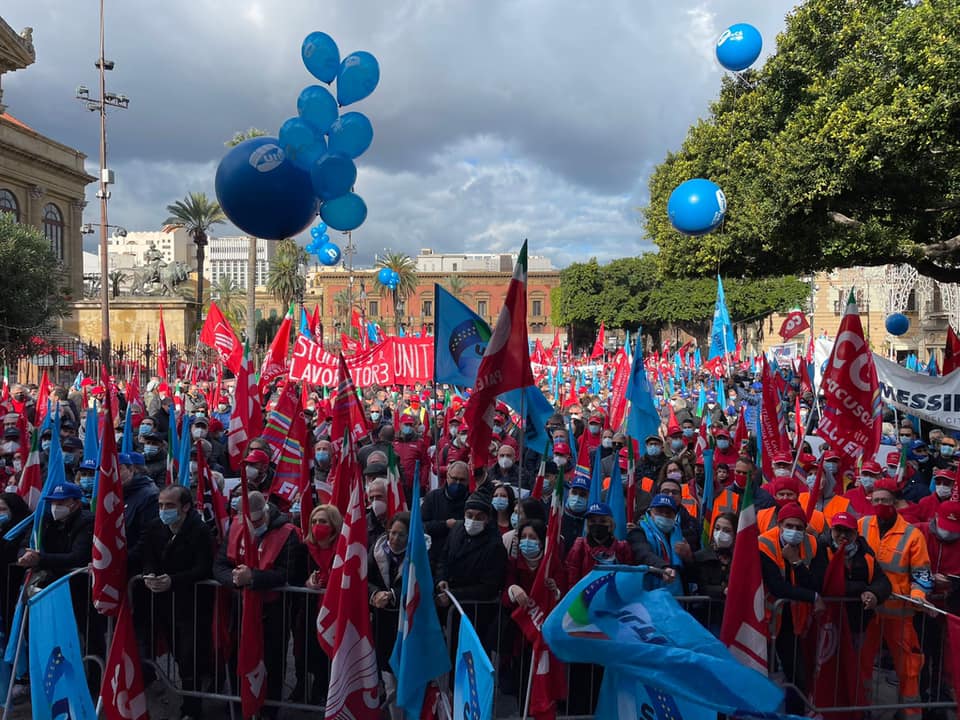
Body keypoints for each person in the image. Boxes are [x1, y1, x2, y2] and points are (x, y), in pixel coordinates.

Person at [214, 491, 302, 712]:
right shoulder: (235, 527)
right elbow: (219, 565)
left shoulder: (287, 532)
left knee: (272, 660)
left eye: (258, 521)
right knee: (237, 657)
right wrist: (235, 580)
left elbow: (288, 573)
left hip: (272, 611)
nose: (254, 526)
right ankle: (238, 702)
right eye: (249, 522)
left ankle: (269, 709)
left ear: (265, 512)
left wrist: (253, 577)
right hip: (240, 608)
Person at [134, 485, 214, 718]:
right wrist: (149, 574)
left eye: (169, 505)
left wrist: (174, 580)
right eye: (161, 505)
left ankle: (192, 708)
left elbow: (203, 567)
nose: (163, 510)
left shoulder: (199, 530)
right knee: (178, 656)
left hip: (192, 605)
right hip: (164, 604)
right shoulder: (154, 527)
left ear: (185, 507)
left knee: (190, 658)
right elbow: (146, 556)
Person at [858, 479, 931, 718]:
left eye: (885, 500)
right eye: (876, 500)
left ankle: (910, 714)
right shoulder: (862, 525)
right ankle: (861, 708)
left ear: (894, 502)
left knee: (909, 670)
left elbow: (922, 574)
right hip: (866, 611)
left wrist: (918, 596)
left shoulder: (913, 535)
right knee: (861, 663)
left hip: (899, 613)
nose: (880, 504)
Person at [757, 501, 825, 715]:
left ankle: (794, 715)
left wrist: (796, 562)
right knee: (759, 674)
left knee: (797, 677)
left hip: (793, 622)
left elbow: (816, 582)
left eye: (799, 527)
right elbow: (777, 586)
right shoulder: (764, 544)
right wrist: (812, 597)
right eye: (789, 526)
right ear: (780, 524)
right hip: (765, 619)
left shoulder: (813, 545)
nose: (794, 531)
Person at [295, 504, 342, 705]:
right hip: (308, 610)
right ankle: (305, 686)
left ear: (333, 524)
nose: (317, 525)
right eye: (314, 521)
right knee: (304, 650)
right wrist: (306, 583)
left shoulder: (342, 548)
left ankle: (325, 690)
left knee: (327, 652)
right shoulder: (304, 548)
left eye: (322, 521)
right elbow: (293, 575)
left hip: (334, 611)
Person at [369, 511, 410, 719]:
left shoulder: (421, 553)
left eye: (401, 535)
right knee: (389, 677)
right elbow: (365, 579)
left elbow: (421, 582)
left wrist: (393, 595)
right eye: (392, 533)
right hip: (383, 624)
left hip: (409, 626)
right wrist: (375, 594)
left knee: (408, 677)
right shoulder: (377, 550)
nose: (394, 539)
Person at [565, 502, 632, 588]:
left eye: (603, 521)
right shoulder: (580, 546)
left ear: (611, 525)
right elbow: (572, 579)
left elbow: (629, 577)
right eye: (592, 521)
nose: (597, 525)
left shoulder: (622, 547)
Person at [421, 460, 470, 563]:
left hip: (463, 556)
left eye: (462, 480)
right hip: (435, 555)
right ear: (447, 477)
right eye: (455, 478)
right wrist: (445, 525)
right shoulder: (432, 497)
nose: (458, 483)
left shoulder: (472, 500)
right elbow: (421, 526)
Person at [120, 451, 160, 552]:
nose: (112, 474)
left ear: (131, 469)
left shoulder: (149, 496)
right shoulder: (112, 494)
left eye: (118, 469)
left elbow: (147, 539)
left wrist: (121, 560)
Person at [560, 473, 590, 555]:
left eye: (582, 494)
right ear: (569, 493)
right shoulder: (558, 518)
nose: (577, 497)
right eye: (574, 492)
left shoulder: (591, 521)